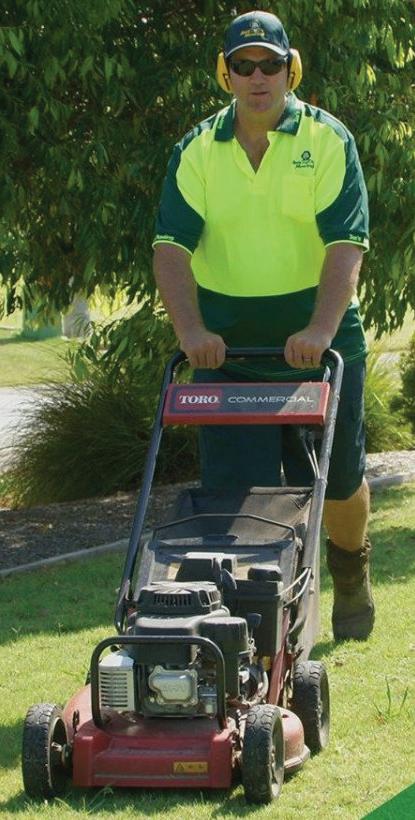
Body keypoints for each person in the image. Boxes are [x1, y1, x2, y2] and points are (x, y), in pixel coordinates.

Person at [152, 10, 374, 642]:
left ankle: (350, 572)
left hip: (321, 347)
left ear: (290, 70)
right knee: (235, 496)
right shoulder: (197, 150)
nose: (258, 77)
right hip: (228, 354)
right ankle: (251, 624)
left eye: (270, 64)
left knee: (337, 483)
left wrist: (320, 330)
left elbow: (346, 245)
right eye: (243, 65)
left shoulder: (327, 140)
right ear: (225, 74)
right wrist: (191, 333)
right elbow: (171, 248)